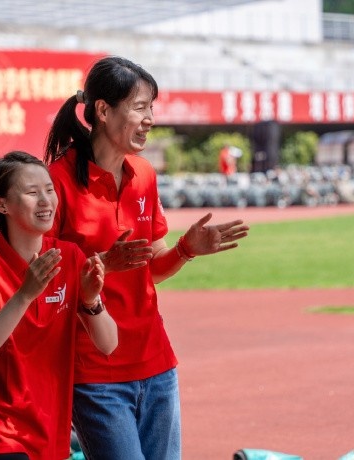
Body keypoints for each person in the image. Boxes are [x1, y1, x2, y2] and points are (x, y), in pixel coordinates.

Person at [43, 56, 250, 460]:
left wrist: (187, 249)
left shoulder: (144, 175)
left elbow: (151, 269)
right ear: (102, 110)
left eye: (151, 107)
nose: (150, 118)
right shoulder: (57, 180)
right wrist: (105, 261)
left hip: (156, 363)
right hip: (95, 370)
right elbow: (44, 278)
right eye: (140, 107)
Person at [0, 151, 118, 460]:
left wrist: (91, 301)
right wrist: (25, 294)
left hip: (51, 437)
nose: (46, 201)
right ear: (2, 205)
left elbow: (108, 343)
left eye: (49, 190)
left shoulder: (70, 256)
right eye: (32, 192)